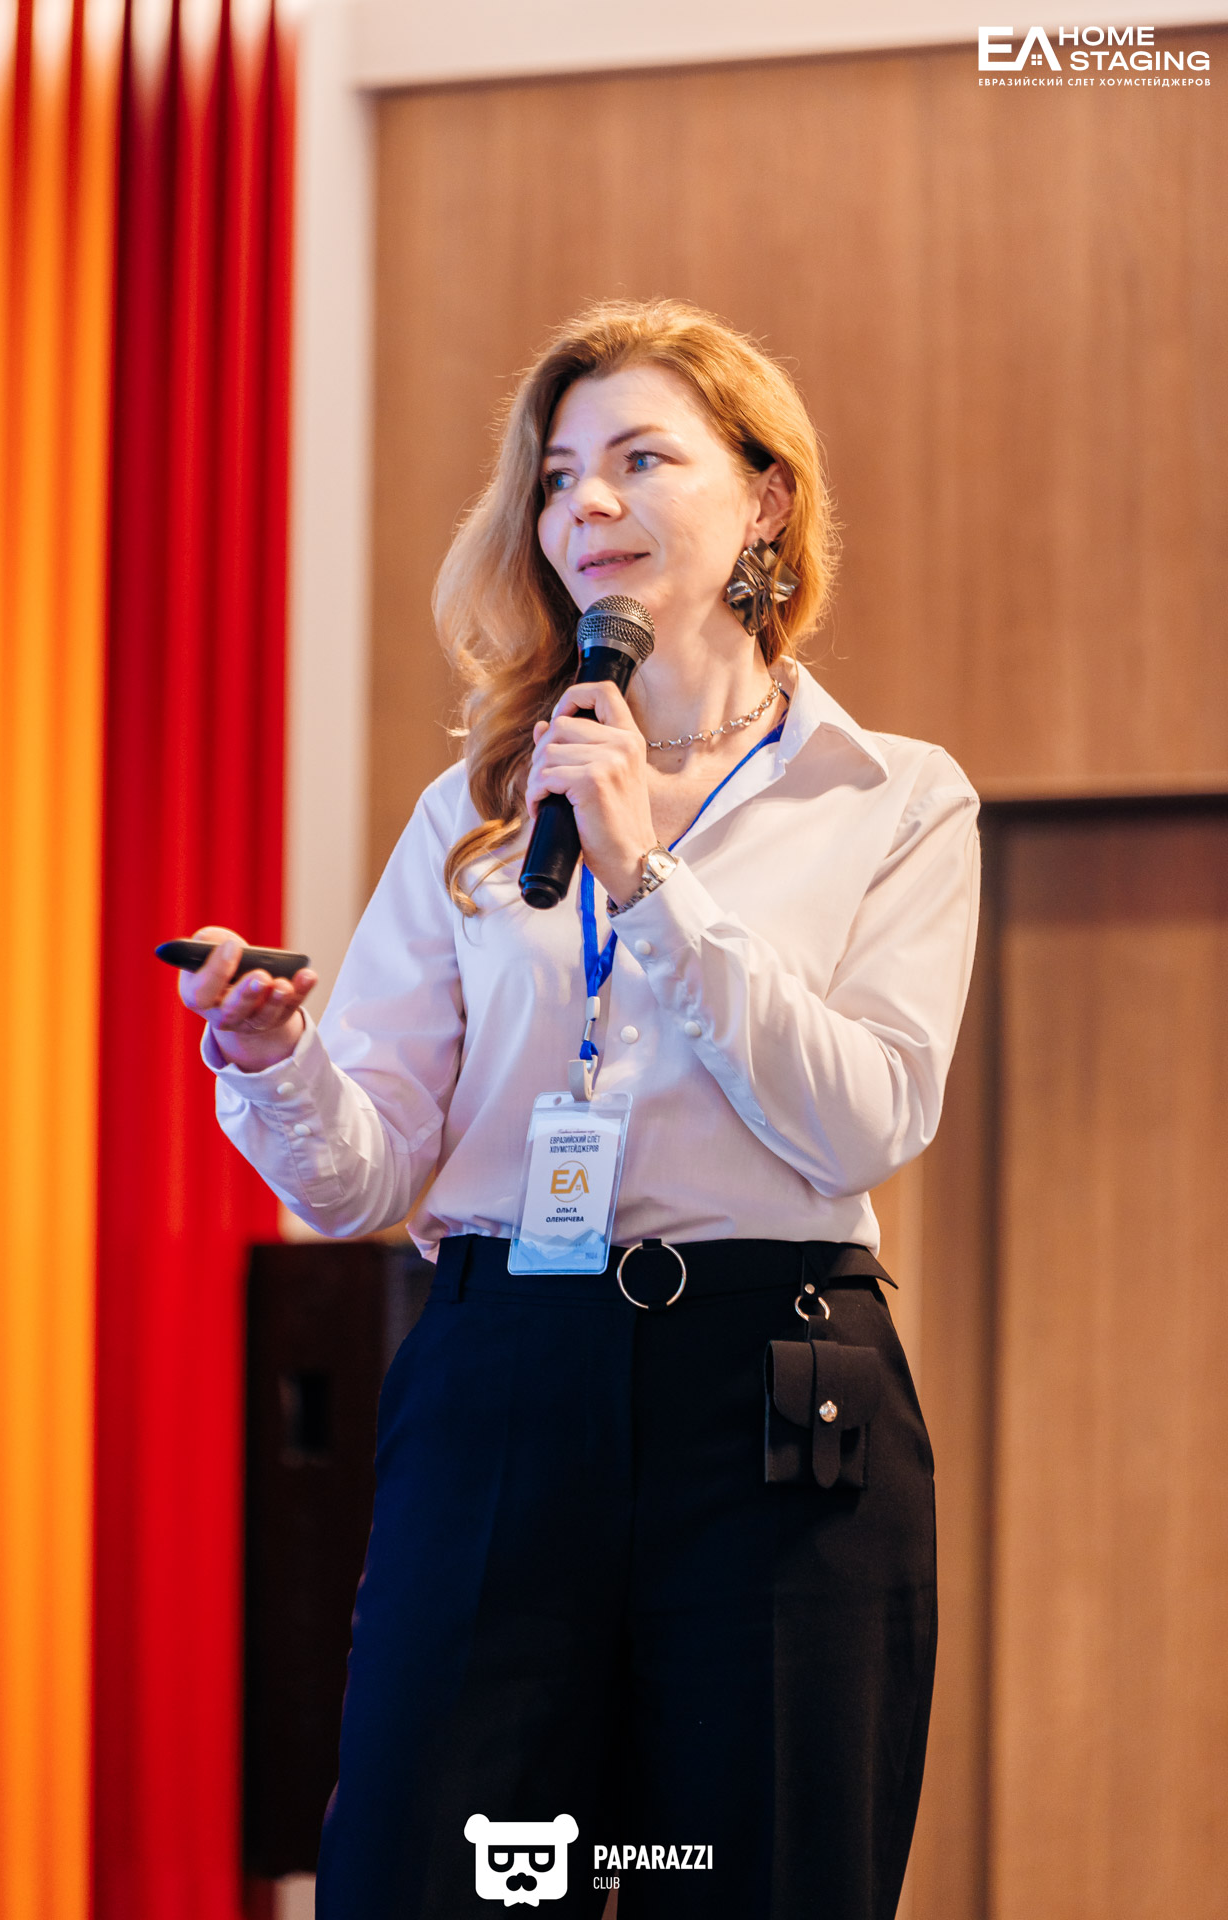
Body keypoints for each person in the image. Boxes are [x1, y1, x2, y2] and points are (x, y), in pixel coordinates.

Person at [178, 299, 980, 1920]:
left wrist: (652, 879)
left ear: (766, 496)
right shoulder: (477, 808)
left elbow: (864, 1118)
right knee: (429, 1875)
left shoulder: (893, 797)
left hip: (773, 1401)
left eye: (640, 459)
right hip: (503, 1374)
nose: (587, 504)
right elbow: (366, 1177)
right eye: (556, 477)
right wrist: (274, 1060)